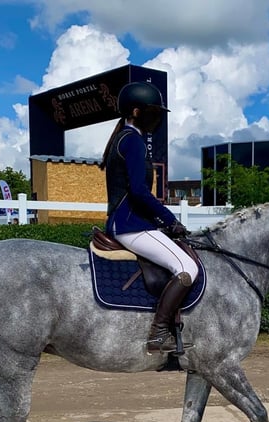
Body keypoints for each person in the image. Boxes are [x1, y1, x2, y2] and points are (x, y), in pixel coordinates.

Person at [100, 81, 199, 354]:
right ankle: (158, 335)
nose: (158, 117)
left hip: (130, 221)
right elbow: (139, 191)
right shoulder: (132, 141)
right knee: (188, 268)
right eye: (154, 111)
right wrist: (170, 220)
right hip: (131, 225)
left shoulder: (125, 138)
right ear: (135, 111)